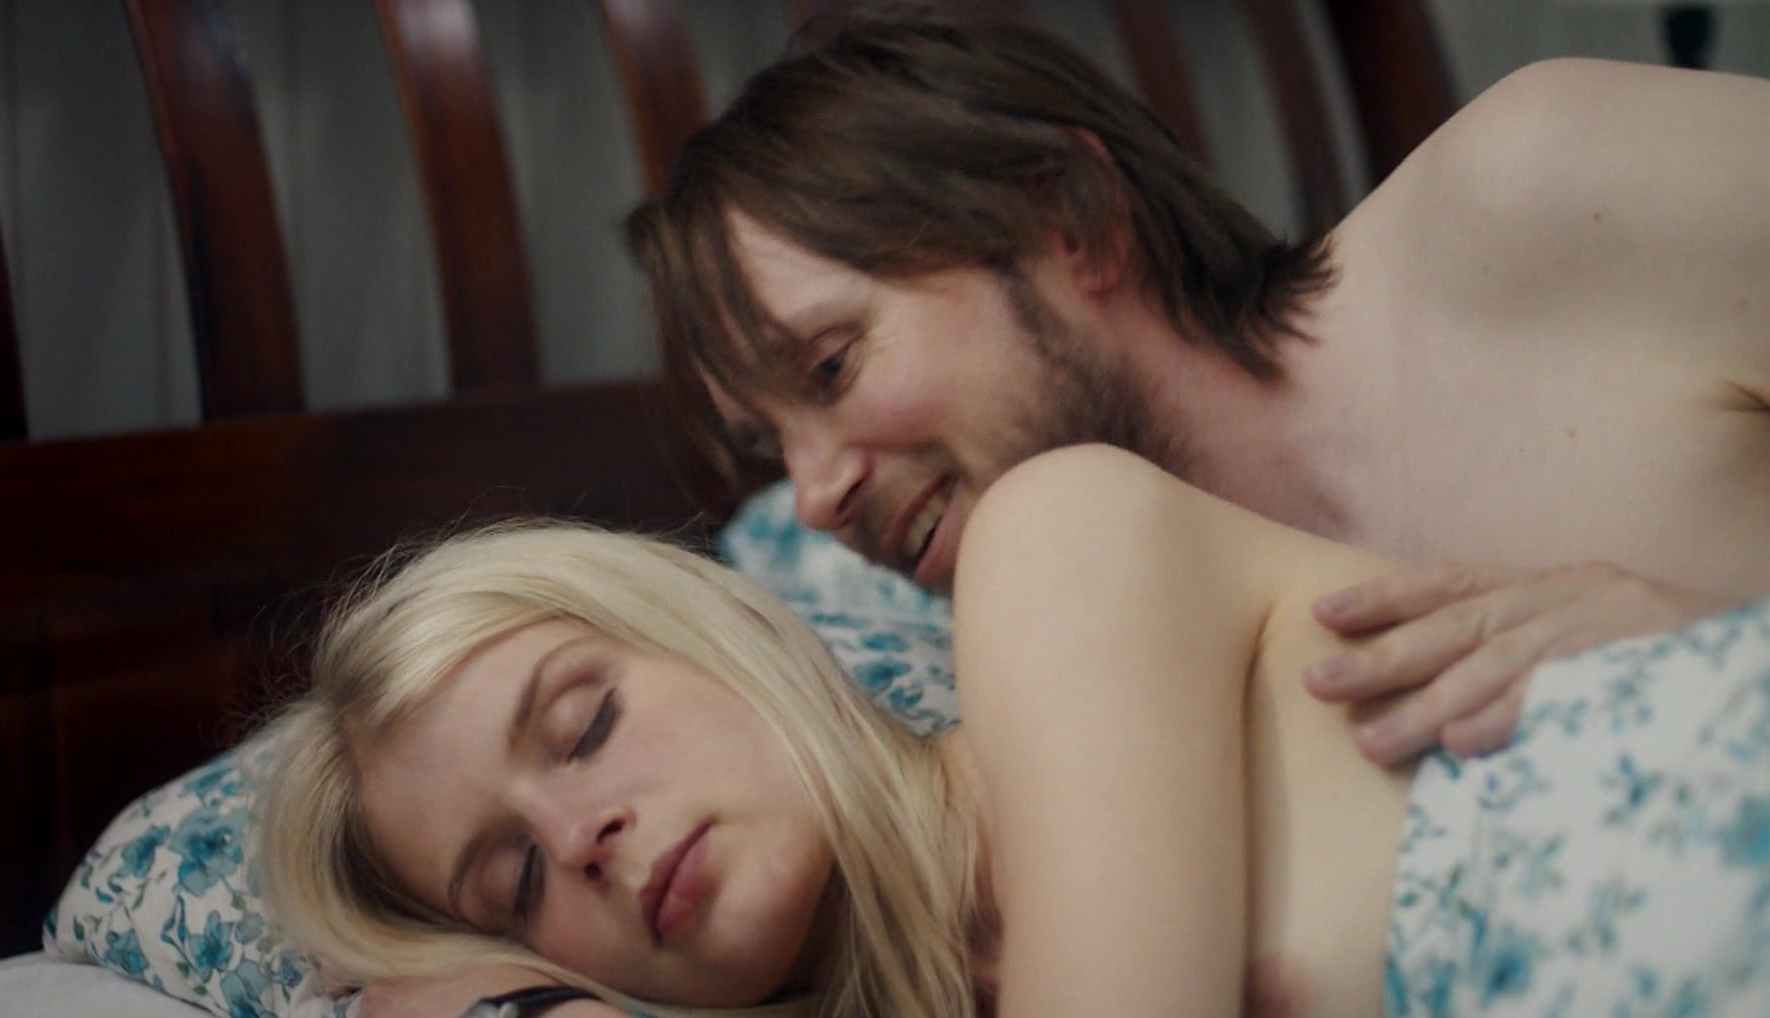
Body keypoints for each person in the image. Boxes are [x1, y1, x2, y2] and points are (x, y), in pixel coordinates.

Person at [257, 446, 1770, 1018]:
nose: (580, 834)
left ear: (725, 633)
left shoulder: (1051, 551)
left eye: (584, 722)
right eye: (513, 884)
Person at [624, 3, 1770, 766]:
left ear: (1074, 219)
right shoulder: (1082, 729)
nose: (813, 497)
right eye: (771, 447)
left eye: (830, 365)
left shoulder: (1544, 190)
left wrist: (1709, 641)